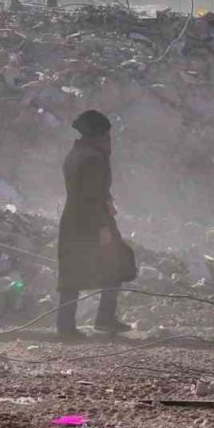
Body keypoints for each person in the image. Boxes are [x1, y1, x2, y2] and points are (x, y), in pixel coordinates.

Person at [56, 109, 137, 337]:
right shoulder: (93, 158)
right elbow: (92, 195)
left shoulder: (77, 153)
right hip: (91, 221)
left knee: (72, 272)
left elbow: (95, 191)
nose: (109, 140)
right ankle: (104, 318)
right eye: (106, 135)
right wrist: (103, 227)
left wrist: (108, 201)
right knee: (117, 262)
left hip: (74, 219)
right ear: (98, 134)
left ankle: (66, 325)